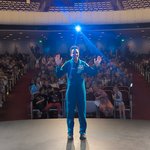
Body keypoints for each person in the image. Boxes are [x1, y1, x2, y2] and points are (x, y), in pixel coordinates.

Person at [55, 45, 102, 140]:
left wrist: (97, 66)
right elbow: (58, 74)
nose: (75, 53)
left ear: (78, 53)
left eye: (76, 52)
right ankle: (70, 133)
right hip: (71, 92)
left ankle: (83, 132)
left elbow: (93, 72)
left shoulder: (83, 64)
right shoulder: (67, 64)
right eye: (73, 52)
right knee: (70, 113)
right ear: (70, 54)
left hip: (81, 91)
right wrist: (58, 65)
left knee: (82, 113)